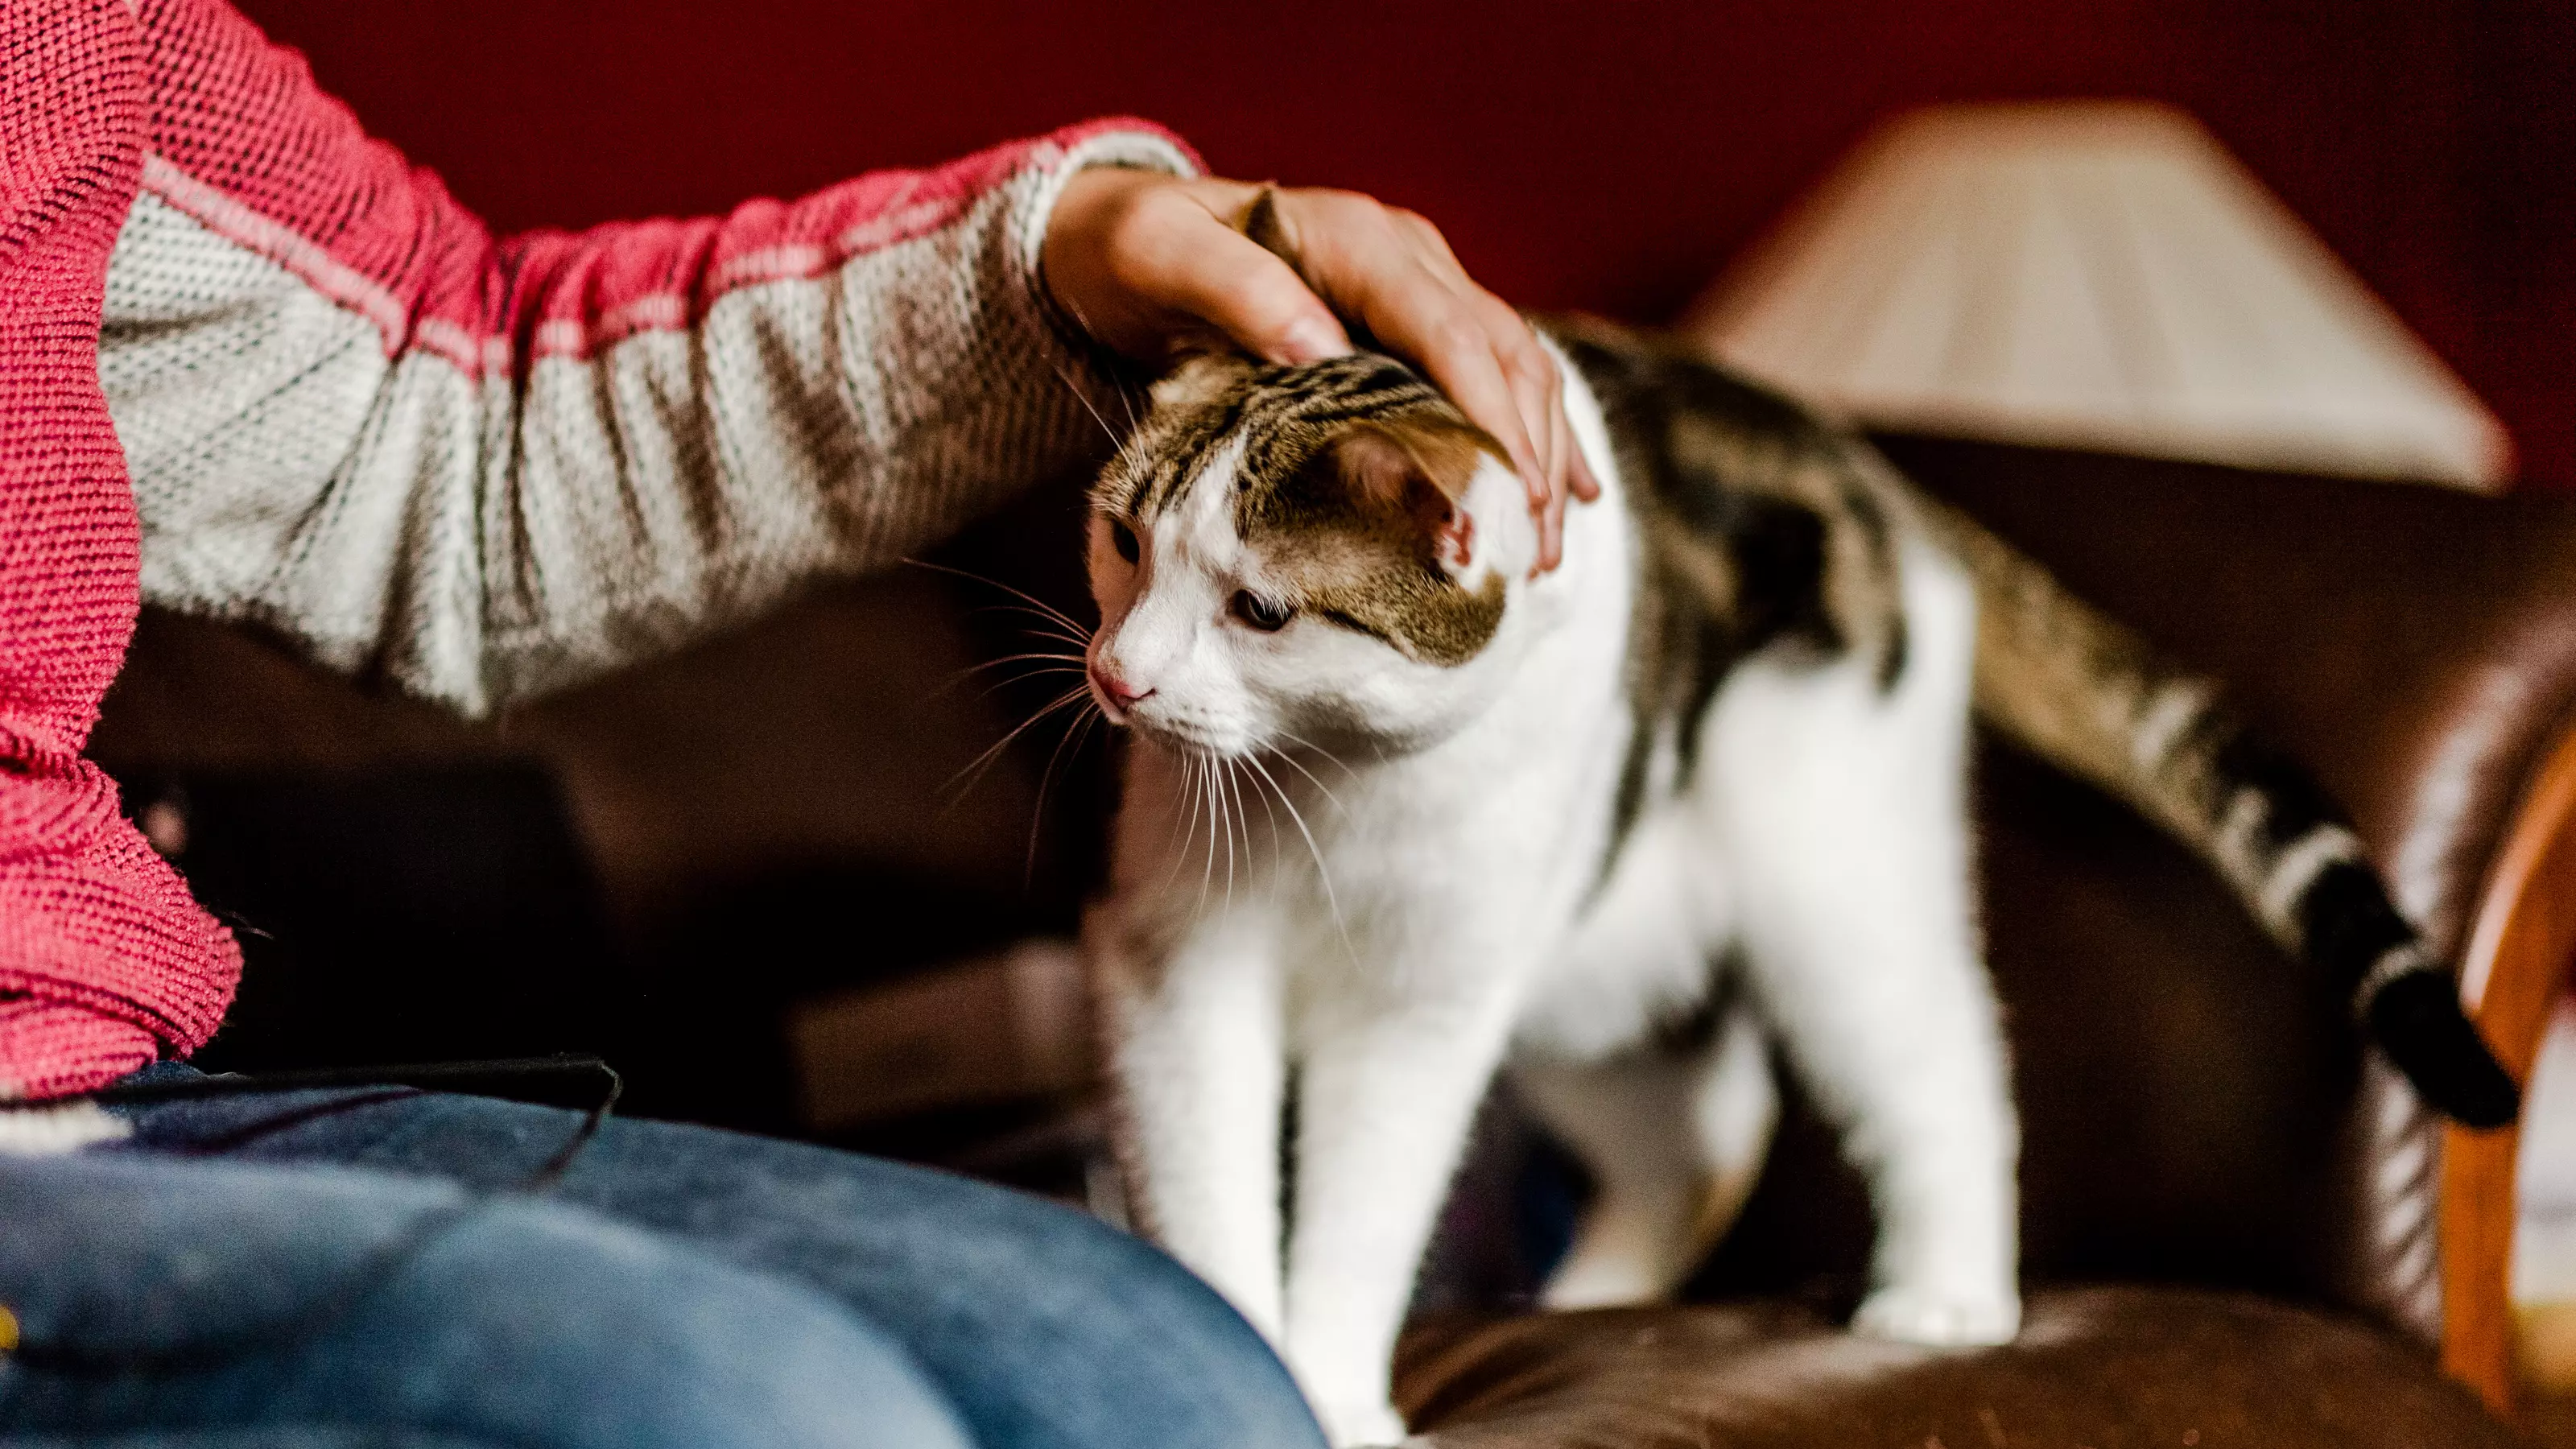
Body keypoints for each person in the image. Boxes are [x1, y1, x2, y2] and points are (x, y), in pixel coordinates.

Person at [0, 0, 1594, 1444]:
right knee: (773, 1421)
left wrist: (1074, 255)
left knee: (1168, 1396)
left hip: (91, 1074)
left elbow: (429, 426)